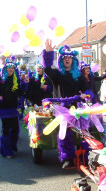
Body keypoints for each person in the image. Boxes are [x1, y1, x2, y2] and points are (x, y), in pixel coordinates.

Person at [42, 39, 87, 169]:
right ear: (62, 59)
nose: (67, 59)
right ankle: (67, 157)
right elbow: (47, 69)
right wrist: (49, 53)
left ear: (73, 60)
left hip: (76, 107)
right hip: (61, 108)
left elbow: (87, 90)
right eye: (65, 57)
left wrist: (86, 94)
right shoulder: (57, 74)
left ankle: (84, 153)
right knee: (65, 130)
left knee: (86, 128)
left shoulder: (78, 75)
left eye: (70, 57)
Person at [0, 56, 21, 158]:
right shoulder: (0, 79)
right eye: (9, 67)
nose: (11, 69)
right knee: (6, 129)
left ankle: (12, 145)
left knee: (15, 129)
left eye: (13, 68)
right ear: (5, 68)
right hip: (4, 107)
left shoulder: (16, 80)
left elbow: (19, 92)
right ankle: (7, 151)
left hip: (13, 107)